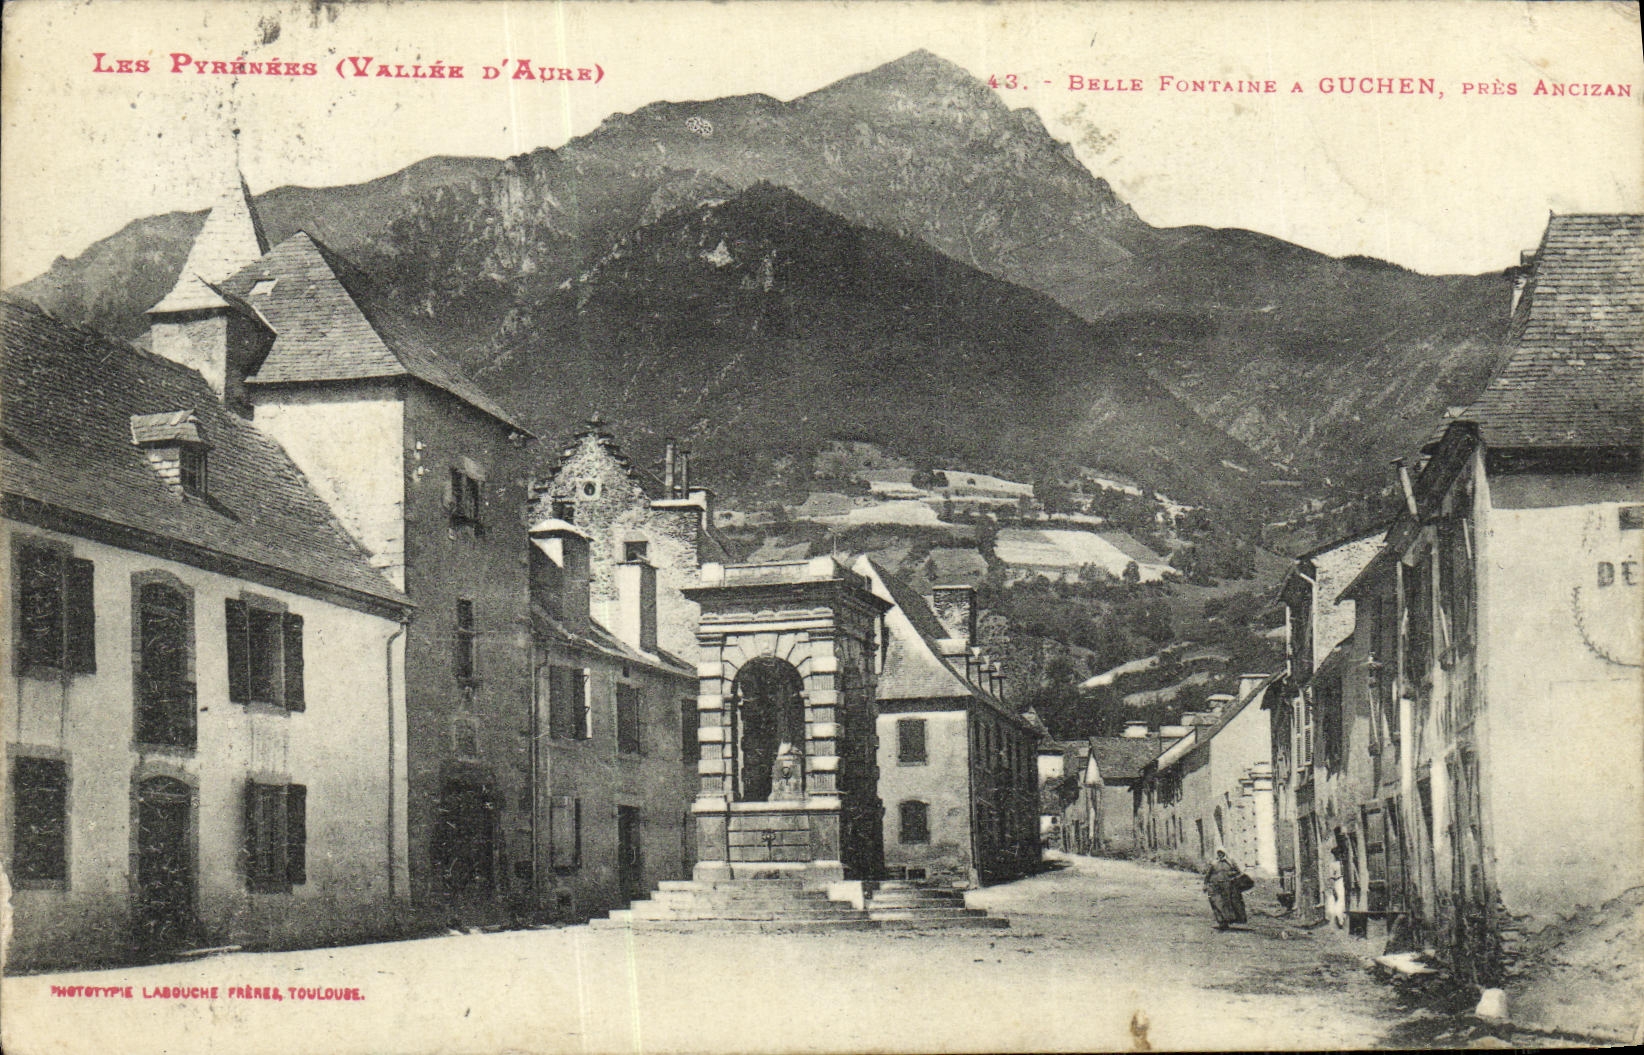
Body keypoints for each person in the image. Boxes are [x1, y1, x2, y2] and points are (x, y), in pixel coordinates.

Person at [1204, 849, 1248, 930]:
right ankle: (1221, 922)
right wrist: (1205, 884)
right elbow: (1208, 875)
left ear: (1224, 853)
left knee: (1228, 904)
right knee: (1217, 903)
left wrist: (1232, 874)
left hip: (1228, 886)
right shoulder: (1214, 863)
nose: (1219, 854)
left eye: (1221, 853)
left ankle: (1228, 921)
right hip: (1216, 886)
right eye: (1218, 853)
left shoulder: (1230, 862)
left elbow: (1239, 872)